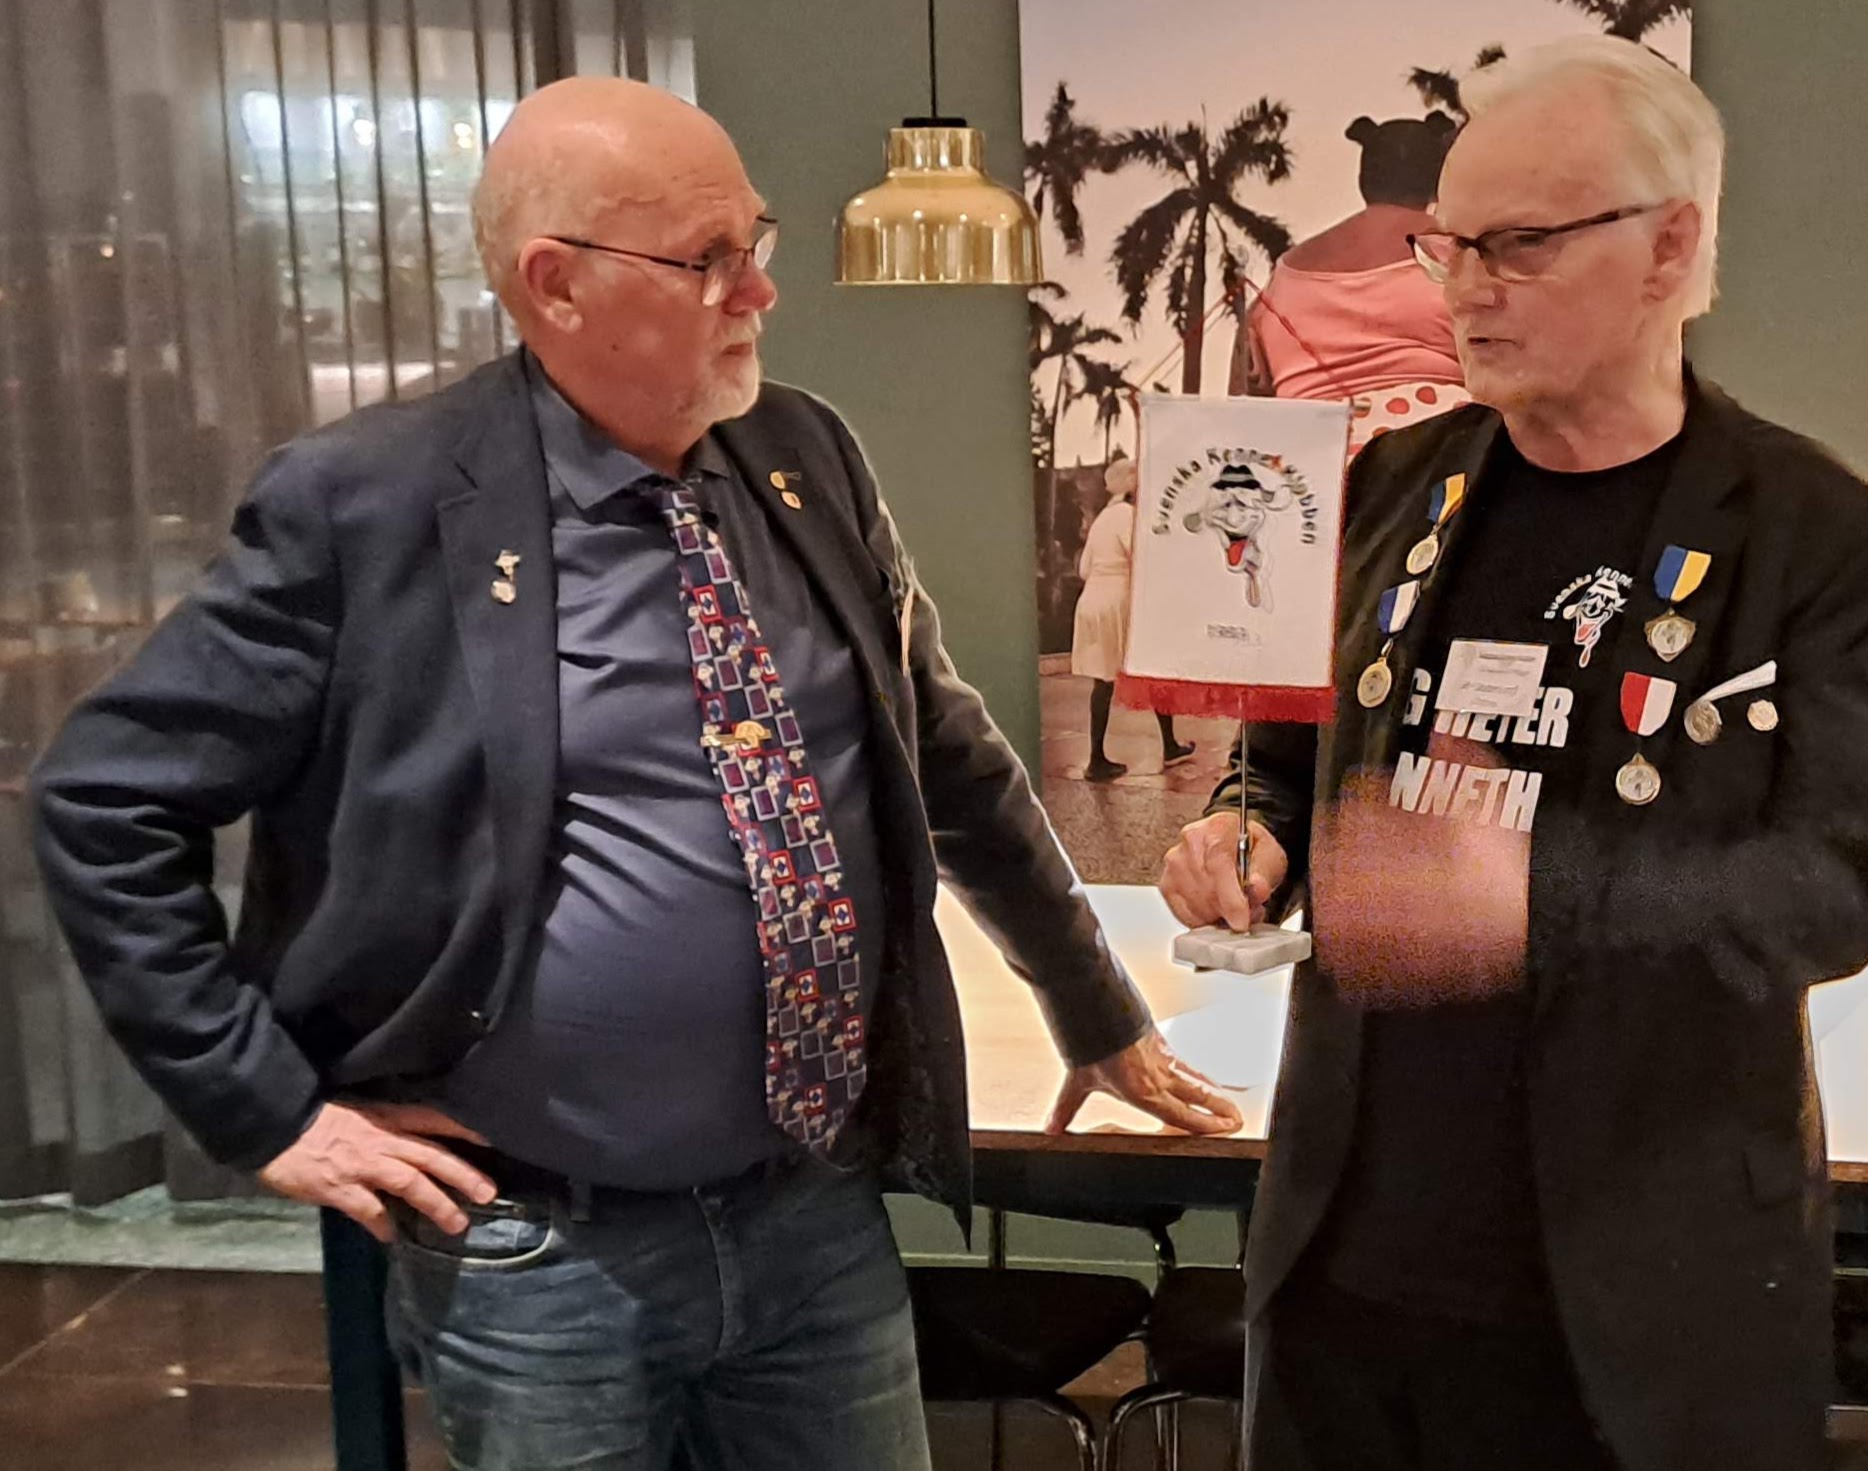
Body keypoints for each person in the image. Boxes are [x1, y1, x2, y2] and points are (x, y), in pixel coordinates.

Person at [31, 77, 1241, 1471]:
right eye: (708, 259)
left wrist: (1091, 1002)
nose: (760, 292)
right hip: (534, 1246)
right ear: (555, 284)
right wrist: (262, 1103)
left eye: (755, 242)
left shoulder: (804, 452)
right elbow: (104, 799)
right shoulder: (365, 502)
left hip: (811, 1215)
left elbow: (946, 754)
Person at [1160, 37, 1868, 1471]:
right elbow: (1282, 754)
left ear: (1669, 248)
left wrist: (1527, 897)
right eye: (1446, 244)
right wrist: (1245, 827)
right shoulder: (1389, 487)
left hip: (1640, 1305)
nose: (1463, 287)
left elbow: (1837, 888)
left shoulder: (1831, 547)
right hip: (1348, 1274)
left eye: (1516, 245)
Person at [1238, 111, 1470, 457]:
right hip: (1444, 454)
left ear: (1365, 179)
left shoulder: (1283, 275)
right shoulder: (1463, 250)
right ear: (1437, 175)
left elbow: (1250, 384)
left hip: (1307, 464)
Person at [1071, 456, 1194, 781]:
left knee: (1102, 680)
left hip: (1092, 600)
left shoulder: (1102, 518)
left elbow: (1083, 569)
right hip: (1120, 600)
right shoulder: (1127, 516)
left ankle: (1096, 759)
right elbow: (1141, 558)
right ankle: (1170, 746)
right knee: (1154, 668)